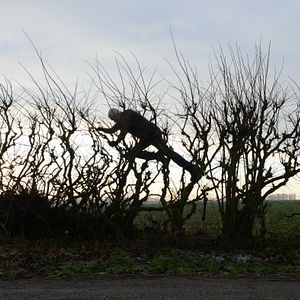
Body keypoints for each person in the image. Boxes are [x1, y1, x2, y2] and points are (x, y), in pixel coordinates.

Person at [97, 108, 200, 180]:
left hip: (153, 133)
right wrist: (101, 129)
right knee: (133, 153)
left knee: (169, 153)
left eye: (114, 118)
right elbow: (111, 130)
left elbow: (123, 131)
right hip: (145, 138)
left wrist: (116, 142)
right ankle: (157, 156)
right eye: (113, 120)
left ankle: (192, 169)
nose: (114, 121)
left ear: (117, 114)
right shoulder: (121, 121)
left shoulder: (127, 114)